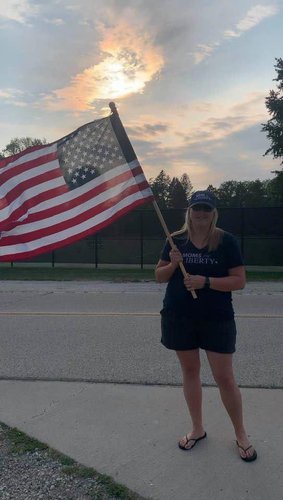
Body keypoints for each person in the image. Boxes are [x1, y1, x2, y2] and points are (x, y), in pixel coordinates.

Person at [155, 190, 257, 462]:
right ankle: (197, 429)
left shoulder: (226, 241)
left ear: (214, 213)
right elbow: (159, 276)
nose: (201, 214)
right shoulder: (175, 240)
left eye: (206, 209)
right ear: (189, 211)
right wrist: (174, 264)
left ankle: (241, 434)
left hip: (217, 317)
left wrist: (206, 282)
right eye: (196, 208)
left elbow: (239, 281)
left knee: (224, 377)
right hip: (179, 316)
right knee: (190, 371)